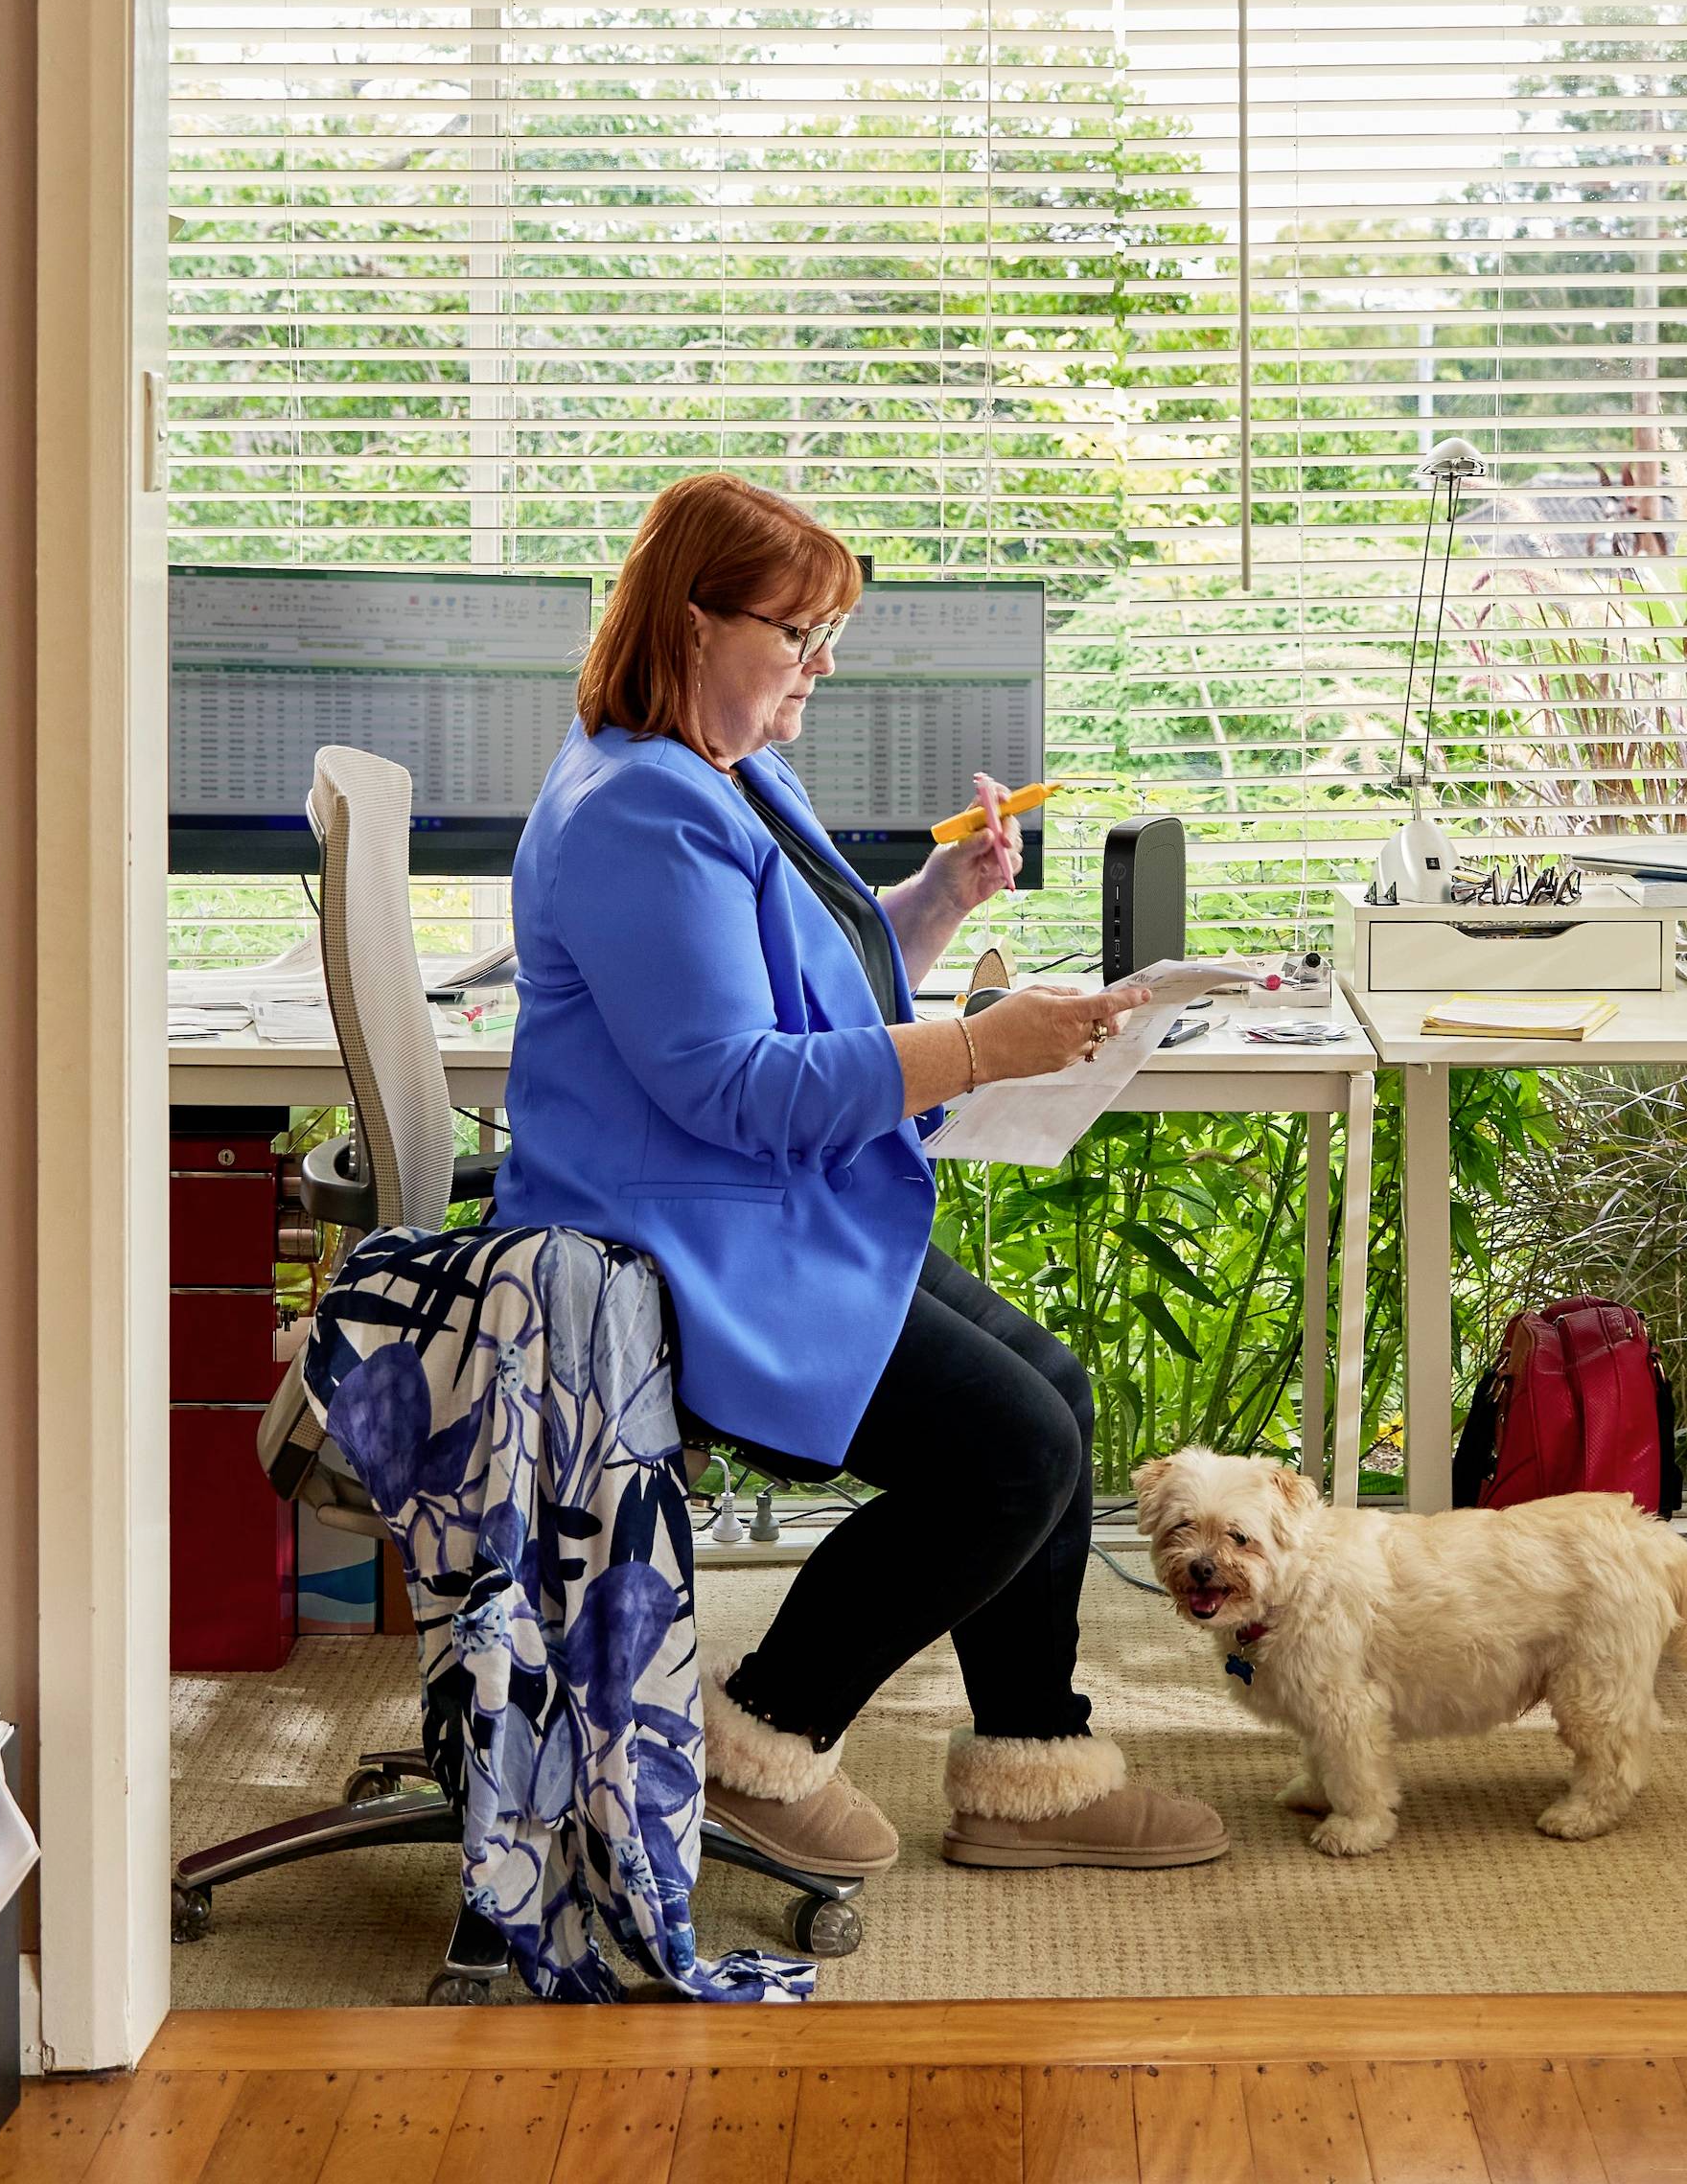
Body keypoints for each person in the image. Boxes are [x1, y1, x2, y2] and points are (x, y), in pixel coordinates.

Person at [493, 471, 1232, 1880]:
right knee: (1011, 1454)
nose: (823, 665)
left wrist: (942, 901)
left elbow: (805, 986)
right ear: (692, 619)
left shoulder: (729, 769)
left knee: (1054, 1396)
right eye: (799, 632)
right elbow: (733, 1078)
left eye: (832, 633)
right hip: (673, 1251)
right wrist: (978, 1050)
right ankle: (758, 1741)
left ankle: (1033, 1770)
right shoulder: (638, 811)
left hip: (758, 1207)